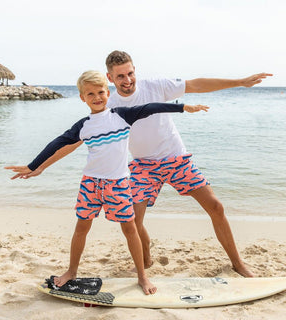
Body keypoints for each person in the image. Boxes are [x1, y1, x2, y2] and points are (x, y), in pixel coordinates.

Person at [5, 70, 209, 295]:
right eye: (90, 94)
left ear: (108, 93)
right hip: (91, 184)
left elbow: (150, 108)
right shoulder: (83, 126)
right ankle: (71, 271)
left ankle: (142, 276)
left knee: (130, 229)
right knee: (81, 227)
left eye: (101, 92)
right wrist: (35, 166)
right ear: (83, 97)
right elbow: (58, 143)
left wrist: (182, 107)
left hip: (118, 184)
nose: (96, 97)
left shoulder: (121, 115)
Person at [105, 50, 273, 277]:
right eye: (121, 77)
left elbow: (196, 85)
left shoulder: (155, 86)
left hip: (176, 159)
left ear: (135, 70)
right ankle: (145, 261)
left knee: (216, 207)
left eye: (130, 73)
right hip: (143, 166)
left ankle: (237, 263)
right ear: (110, 78)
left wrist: (240, 82)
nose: (128, 80)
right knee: (133, 220)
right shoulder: (110, 104)